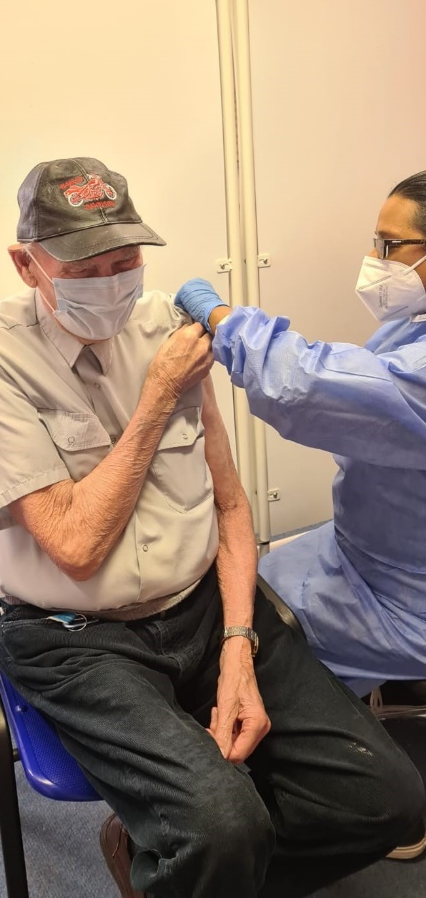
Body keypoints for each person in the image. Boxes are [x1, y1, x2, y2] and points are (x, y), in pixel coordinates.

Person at [0, 158, 425, 898]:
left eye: (126, 259)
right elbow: (74, 547)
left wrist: (239, 644)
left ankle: (172, 872)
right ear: (26, 263)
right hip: (75, 634)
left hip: (200, 608)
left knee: (387, 801)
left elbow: (231, 508)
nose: (114, 280)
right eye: (87, 266)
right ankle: (201, 857)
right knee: (221, 825)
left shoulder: (164, 322)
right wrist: (156, 400)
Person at [174, 170, 426, 708]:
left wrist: (218, 316)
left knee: (245, 644)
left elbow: (306, 383)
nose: (375, 260)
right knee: (248, 584)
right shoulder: (415, 321)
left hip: (405, 599)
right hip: (370, 552)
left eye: (389, 246)